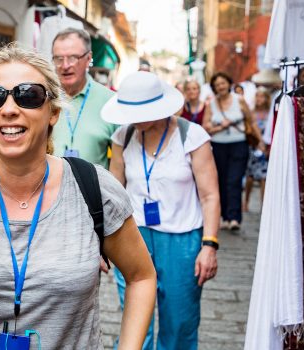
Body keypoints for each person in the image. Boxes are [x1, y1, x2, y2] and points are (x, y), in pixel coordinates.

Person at [0, 44, 156, 349]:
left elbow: (141, 277)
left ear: (52, 112)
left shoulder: (94, 188)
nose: (9, 109)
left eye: (27, 96)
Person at [106, 71, 220, 350]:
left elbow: (210, 195)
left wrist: (209, 245)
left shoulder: (191, 136)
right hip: (133, 237)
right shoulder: (123, 136)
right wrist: (103, 242)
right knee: (136, 320)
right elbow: (114, 191)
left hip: (182, 238)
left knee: (179, 322)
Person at [202, 72, 265, 231]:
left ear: (229, 83)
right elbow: (205, 127)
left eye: (223, 83)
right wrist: (219, 127)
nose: (220, 87)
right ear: (214, 88)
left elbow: (251, 121)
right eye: (217, 85)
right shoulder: (211, 104)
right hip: (218, 146)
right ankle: (224, 217)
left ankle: (234, 218)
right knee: (221, 181)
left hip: (239, 144)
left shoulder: (240, 100)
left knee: (234, 180)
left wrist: (260, 141)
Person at [50, 27, 118, 167]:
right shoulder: (44, 98)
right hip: (49, 187)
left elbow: (120, 163)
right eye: (58, 58)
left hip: (94, 188)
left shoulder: (111, 102)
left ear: (88, 59)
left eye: (73, 58)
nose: (65, 65)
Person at [243, 88, 271, 212]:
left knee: (264, 177)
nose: (259, 99)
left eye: (262, 96)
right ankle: (246, 201)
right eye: (257, 96)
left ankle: (263, 204)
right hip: (253, 146)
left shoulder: (270, 113)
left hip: (265, 148)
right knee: (250, 176)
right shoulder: (251, 112)